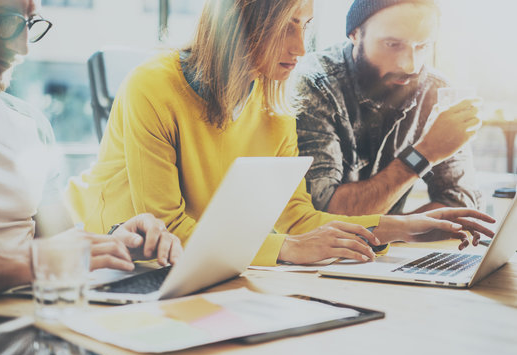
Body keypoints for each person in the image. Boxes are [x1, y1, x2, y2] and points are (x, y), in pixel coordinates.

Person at [67, 0, 494, 268]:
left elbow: (296, 216)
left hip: (212, 256)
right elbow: (168, 227)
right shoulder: (153, 86)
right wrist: (286, 248)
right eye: (287, 26)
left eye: (305, 27)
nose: (301, 48)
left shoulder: (275, 97)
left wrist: (403, 227)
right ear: (239, 23)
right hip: (123, 255)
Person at [0, 0, 182, 297]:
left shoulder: (30, 125)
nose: (22, 49)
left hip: (41, 324)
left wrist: (113, 244)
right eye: (8, 20)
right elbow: (44, 258)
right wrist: (34, 263)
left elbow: (61, 242)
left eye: (29, 23)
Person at [295, 0, 482, 217]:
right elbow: (322, 215)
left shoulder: (435, 91)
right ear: (355, 34)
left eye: (422, 46)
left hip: (389, 249)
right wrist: (424, 153)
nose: (410, 65)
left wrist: (398, 231)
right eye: (393, 44)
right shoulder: (314, 85)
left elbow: (461, 204)